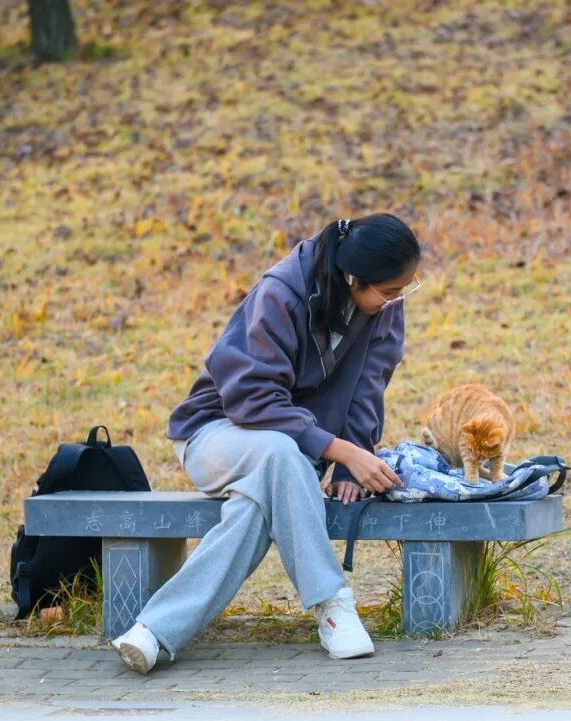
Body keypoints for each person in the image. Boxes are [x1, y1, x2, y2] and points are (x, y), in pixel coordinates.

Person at [111, 213, 423, 675]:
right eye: (392, 290)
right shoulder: (282, 293)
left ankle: (153, 631)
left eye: (405, 289)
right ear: (352, 278)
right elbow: (252, 399)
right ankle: (332, 603)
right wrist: (340, 450)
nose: (398, 299)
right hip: (216, 434)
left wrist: (348, 463)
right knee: (279, 452)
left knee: (256, 506)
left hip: (296, 454)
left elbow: (369, 385)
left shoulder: (383, 306)